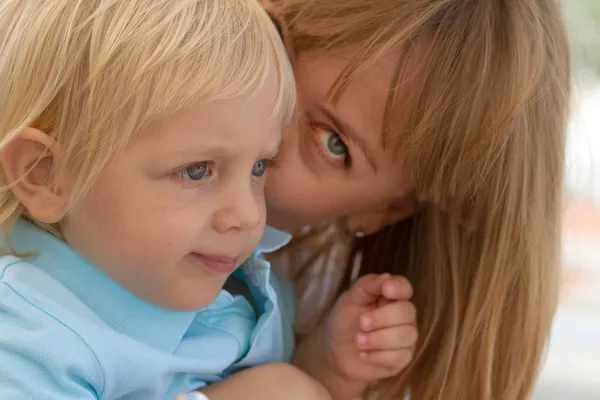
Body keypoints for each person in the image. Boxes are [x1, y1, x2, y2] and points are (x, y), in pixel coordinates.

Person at [0, 1, 418, 399]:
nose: (249, 215)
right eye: (197, 170)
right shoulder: (31, 338)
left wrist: (325, 372)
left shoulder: (252, 288)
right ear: (46, 175)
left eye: (259, 167)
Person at [261, 0, 572, 399]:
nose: (261, 116)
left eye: (333, 143)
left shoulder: (324, 324)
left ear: (382, 211)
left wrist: (322, 376)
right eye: (275, 43)